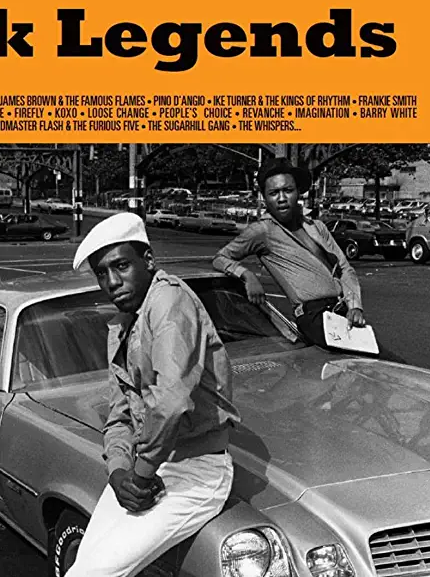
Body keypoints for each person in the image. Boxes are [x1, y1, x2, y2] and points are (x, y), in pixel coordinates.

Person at [66, 212, 239, 577]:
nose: (112, 282)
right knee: (84, 567)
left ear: (147, 260)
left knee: (92, 573)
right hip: (148, 467)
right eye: (102, 273)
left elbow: (171, 400)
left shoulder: (169, 300)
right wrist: (118, 471)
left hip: (197, 472)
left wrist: (141, 474)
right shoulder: (124, 323)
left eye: (121, 266)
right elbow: (120, 413)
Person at [213, 157, 401, 360]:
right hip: (314, 317)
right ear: (265, 198)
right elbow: (221, 257)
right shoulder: (262, 231)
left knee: (386, 364)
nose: (282, 198)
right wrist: (246, 275)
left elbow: (344, 268)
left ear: (298, 192)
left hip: (342, 311)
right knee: (382, 362)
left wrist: (355, 306)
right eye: (274, 193)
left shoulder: (317, 227)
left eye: (288, 190)